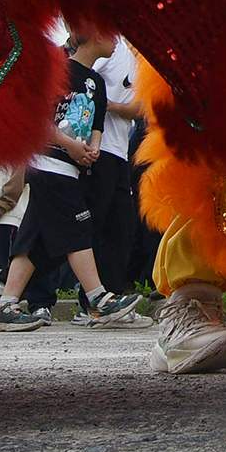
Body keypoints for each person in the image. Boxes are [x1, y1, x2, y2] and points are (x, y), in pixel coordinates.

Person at [0, 31, 147, 333]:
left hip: (71, 169)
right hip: (48, 163)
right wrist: (69, 144)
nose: (115, 40)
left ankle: (5, 302)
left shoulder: (97, 83)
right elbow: (37, 119)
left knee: (33, 239)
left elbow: (97, 124)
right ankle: (98, 299)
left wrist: (92, 147)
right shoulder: (57, 72)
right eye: (107, 33)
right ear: (89, 36)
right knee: (78, 229)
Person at [88, 34, 145, 294]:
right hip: (96, 149)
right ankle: (92, 298)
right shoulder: (112, 49)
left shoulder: (145, 64)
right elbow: (80, 80)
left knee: (122, 224)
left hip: (121, 149)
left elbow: (141, 110)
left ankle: (110, 294)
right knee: (92, 225)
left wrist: (112, 106)